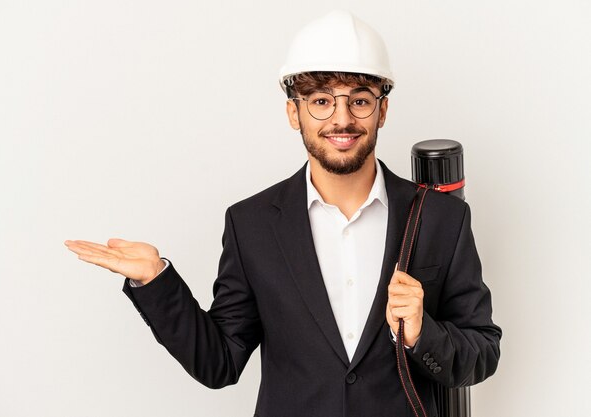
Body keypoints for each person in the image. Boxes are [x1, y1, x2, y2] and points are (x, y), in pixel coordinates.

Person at [65, 10, 501, 417]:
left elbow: (482, 353)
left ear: (382, 110)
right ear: (294, 112)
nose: (342, 118)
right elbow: (220, 363)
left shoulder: (442, 218)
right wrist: (155, 280)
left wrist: (420, 333)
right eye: (321, 101)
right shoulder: (251, 225)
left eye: (360, 100)